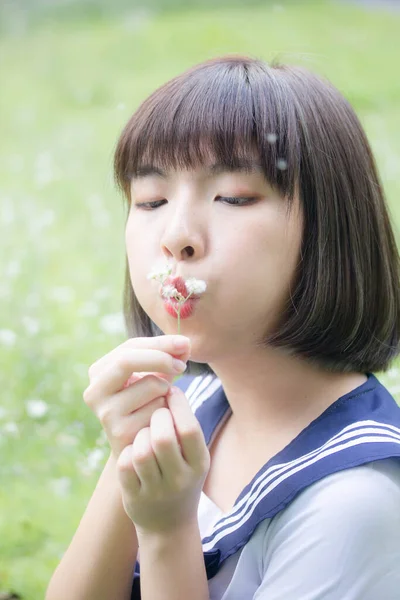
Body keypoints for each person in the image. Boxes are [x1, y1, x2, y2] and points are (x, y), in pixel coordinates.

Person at [45, 55, 400, 600]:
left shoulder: (355, 504)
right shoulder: (193, 399)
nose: (176, 234)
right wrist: (126, 455)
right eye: (151, 200)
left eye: (233, 197)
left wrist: (166, 533)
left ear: (329, 229)